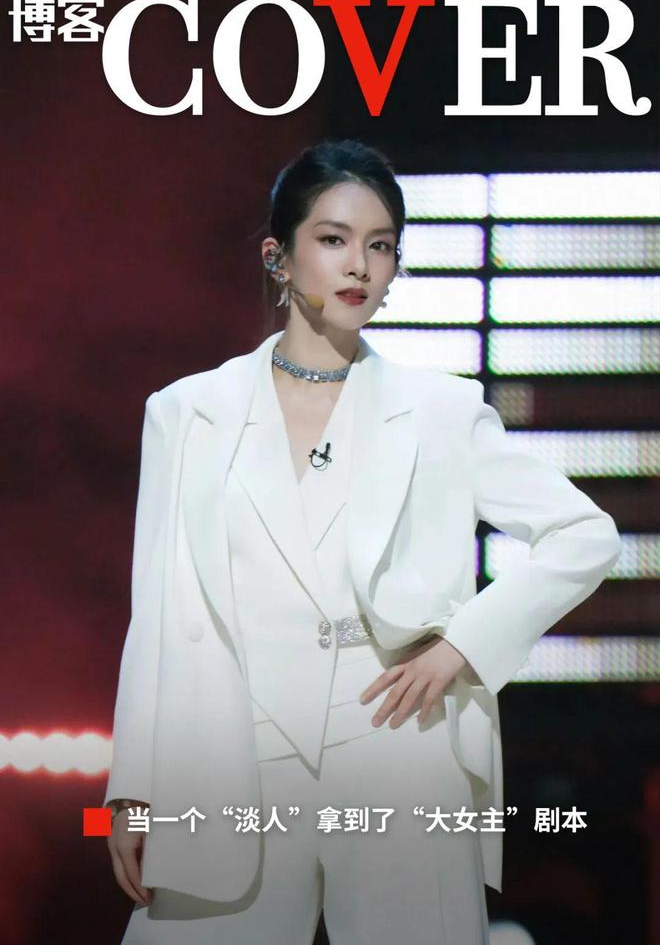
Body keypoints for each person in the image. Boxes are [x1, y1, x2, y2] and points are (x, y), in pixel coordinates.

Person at [104, 138, 622, 944]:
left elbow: (584, 534)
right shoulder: (187, 412)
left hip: (397, 747)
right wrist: (134, 788)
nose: (360, 265)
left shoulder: (442, 411)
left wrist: (461, 645)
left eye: (381, 245)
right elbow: (160, 610)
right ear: (278, 256)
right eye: (333, 238)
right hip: (234, 751)